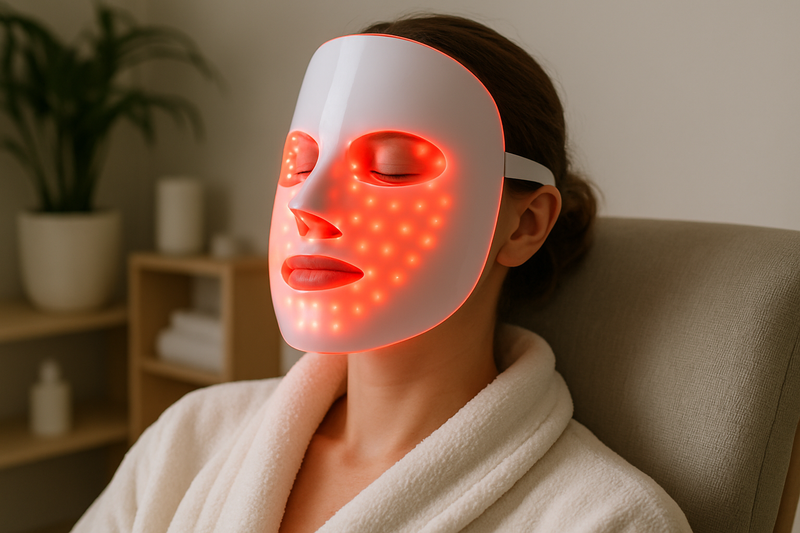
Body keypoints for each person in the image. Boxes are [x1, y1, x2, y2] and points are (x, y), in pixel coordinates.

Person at [72, 14, 692, 533]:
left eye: (393, 170)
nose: (309, 207)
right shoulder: (190, 439)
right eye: (298, 166)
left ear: (525, 224)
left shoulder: (606, 519)